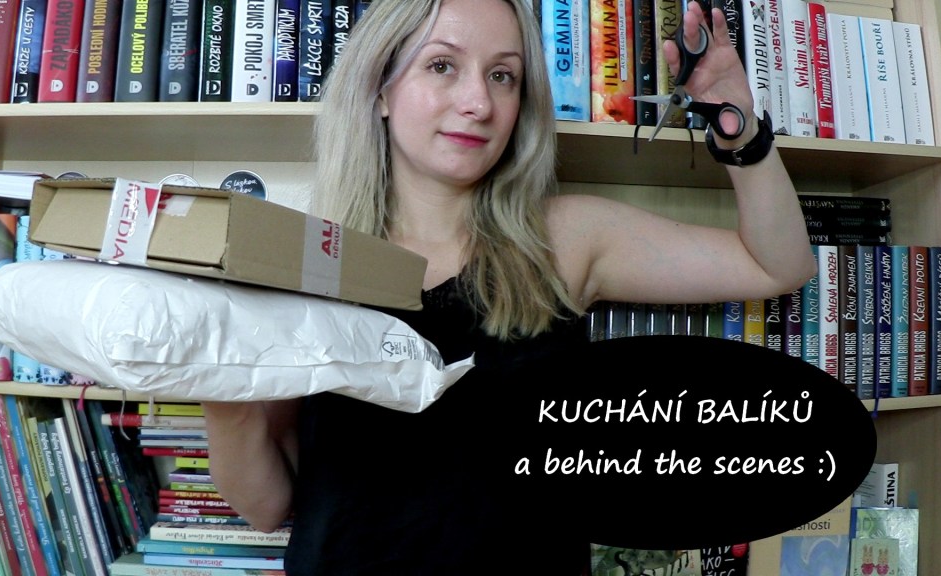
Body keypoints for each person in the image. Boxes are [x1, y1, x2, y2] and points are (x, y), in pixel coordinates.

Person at [204, 0, 816, 573]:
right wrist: (215, 384)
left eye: (503, 76)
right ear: (380, 88)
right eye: (442, 65)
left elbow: (777, 266)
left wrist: (737, 122)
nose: (479, 102)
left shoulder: (563, 239)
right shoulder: (303, 260)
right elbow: (267, 506)